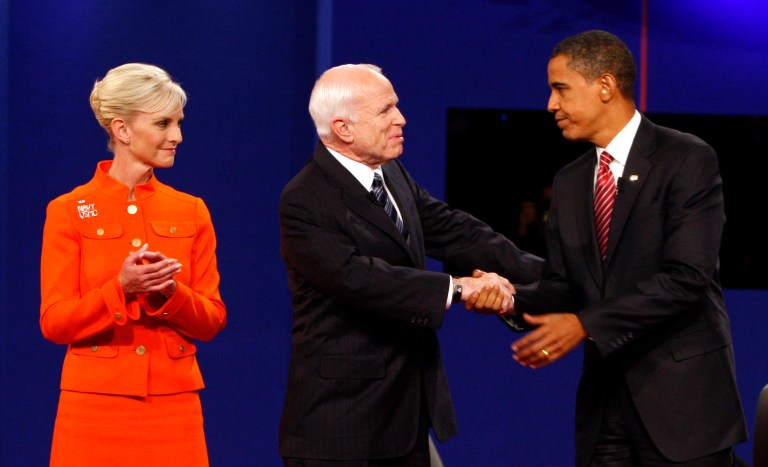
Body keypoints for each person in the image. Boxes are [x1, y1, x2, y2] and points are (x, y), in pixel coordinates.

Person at [495, 30, 747, 466]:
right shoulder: (571, 181)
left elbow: (686, 277)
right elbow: (563, 286)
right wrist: (509, 298)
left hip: (683, 407)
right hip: (606, 409)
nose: (550, 104)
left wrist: (584, 324)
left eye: (560, 88)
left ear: (606, 86)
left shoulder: (686, 159)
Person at [278, 63, 543, 465]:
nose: (400, 118)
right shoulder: (306, 198)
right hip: (342, 425)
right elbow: (356, 278)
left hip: (405, 415)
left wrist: (551, 276)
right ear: (344, 128)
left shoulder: (391, 173)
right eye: (385, 110)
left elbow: (457, 231)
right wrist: (457, 287)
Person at [39, 63, 227, 467]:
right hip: (92, 407)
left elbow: (212, 320)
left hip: (173, 407)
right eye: (162, 123)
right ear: (122, 130)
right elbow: (55, 322)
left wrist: (171, 294)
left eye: (178, 122)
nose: (177, 136)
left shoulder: (191, 211)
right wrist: (119, 289)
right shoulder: (67, 211)